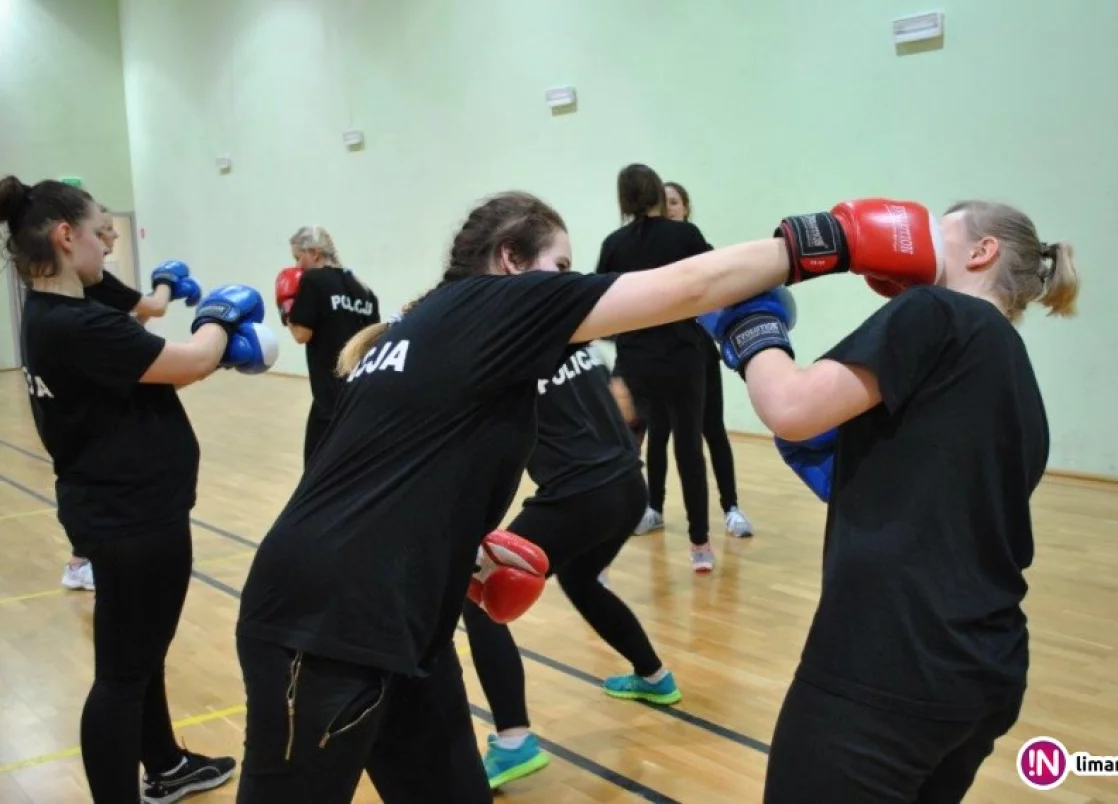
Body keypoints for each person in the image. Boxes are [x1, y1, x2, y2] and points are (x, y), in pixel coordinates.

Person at [231, 188, 933, 802]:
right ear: (511, 260)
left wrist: (459, 561)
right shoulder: (492, 305)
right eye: (560, 269)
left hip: (404, 622)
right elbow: (685, 287)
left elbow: (384, 479)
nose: (570, 285)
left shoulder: (430, 327)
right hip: (321, 626)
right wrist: (834, 241)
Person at [695, 199, 1079, 802]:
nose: (916, 240)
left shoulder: (935, 311)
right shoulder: (1014, 374)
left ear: (982, 252)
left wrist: (752, 324)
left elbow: (791, 408)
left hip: (886, 668)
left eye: (939, 231)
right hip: (985, 671)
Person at [1, 174, 279, 804]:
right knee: (123, 674)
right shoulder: (74, 324)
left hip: (120, 509)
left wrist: (205, 351)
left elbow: (152, 376)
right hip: (133, 518)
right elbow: (187, 359)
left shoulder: (64, 312)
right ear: (64, 236)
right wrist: (217, 319)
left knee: (140, 652)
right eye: (99, 231)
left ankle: (166, 763)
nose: (107, 242)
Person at [459, 335, 681, 790]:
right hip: (627, 487)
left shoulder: (510, 348)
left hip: (581, 496)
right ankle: (654, 676)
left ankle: (513, 739)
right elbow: (622, 406)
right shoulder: (572, 336)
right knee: (581, 578)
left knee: (480, 590)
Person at [60, 209, 195, 593]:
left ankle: (79, 561)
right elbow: (155, 307)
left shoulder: (68, 297)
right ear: (73, 235)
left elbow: (128, 338)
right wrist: (168, 282)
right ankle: (79, 562)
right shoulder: (93, 286)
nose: (112, 240)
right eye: (105, 232)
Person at [596, 164, 719, 572]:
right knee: (689, 451)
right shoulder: (685, 235)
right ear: (653, 193)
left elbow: (602, 303)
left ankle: (601, 556)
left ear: (623, 199)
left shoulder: (614, 243)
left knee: (621, 456)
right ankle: (700, 546)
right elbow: (715, 280)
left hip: (634, 364)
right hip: (683, 359)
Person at [634, 180, 753, 539]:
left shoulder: (700, 250)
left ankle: (731, 508)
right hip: (660, 358)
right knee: (658, 435)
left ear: (685, 207)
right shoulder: (648, 255)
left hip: (699, 357)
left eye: (674, 202)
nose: (669, 207)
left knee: (712, 430)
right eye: (663, 202)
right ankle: (653, 508)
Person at [274, 225, 380, 464]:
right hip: (360, 395)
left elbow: (301, 334)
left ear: (314, 253)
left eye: (298, 257)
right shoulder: (364, 290)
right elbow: (373, 340)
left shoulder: (313, 280)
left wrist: (286, 307)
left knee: (315, 470)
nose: (297, 266)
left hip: (328, 398)